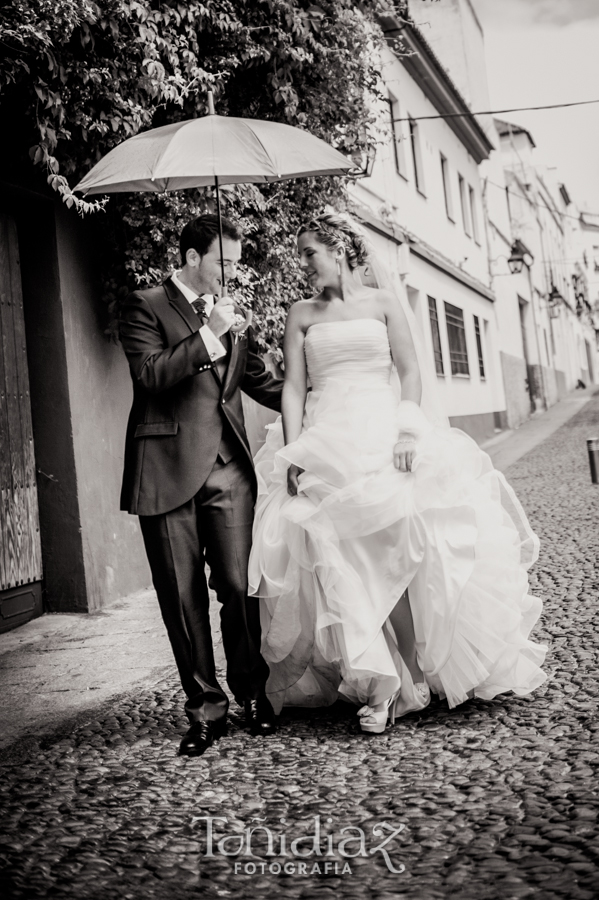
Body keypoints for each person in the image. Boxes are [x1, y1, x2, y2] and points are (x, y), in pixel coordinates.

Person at [248, 212, 547, 734]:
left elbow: (409, 372)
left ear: (337, 250)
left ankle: (411, 675)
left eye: (308, 253)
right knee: (342, 562)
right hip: (326, 442)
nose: (303, 263)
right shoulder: (300, 313)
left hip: (382, 440)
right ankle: (387, 685)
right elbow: (294, 388)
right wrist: (294, 452)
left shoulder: (385, 304)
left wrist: (409, 431)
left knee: (395, 559)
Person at [119, 214, 283, 756]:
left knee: (239, 586)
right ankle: (207, 711)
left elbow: (256, 377)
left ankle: (253, 695)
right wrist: (208, 336)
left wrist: (329, 400)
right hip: (166, 469)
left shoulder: (230, 311)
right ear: (192, 258)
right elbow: (150, 374)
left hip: (229, 468)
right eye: (224, 262)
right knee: (182, 600)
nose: (232, 272)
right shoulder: (144, 304)